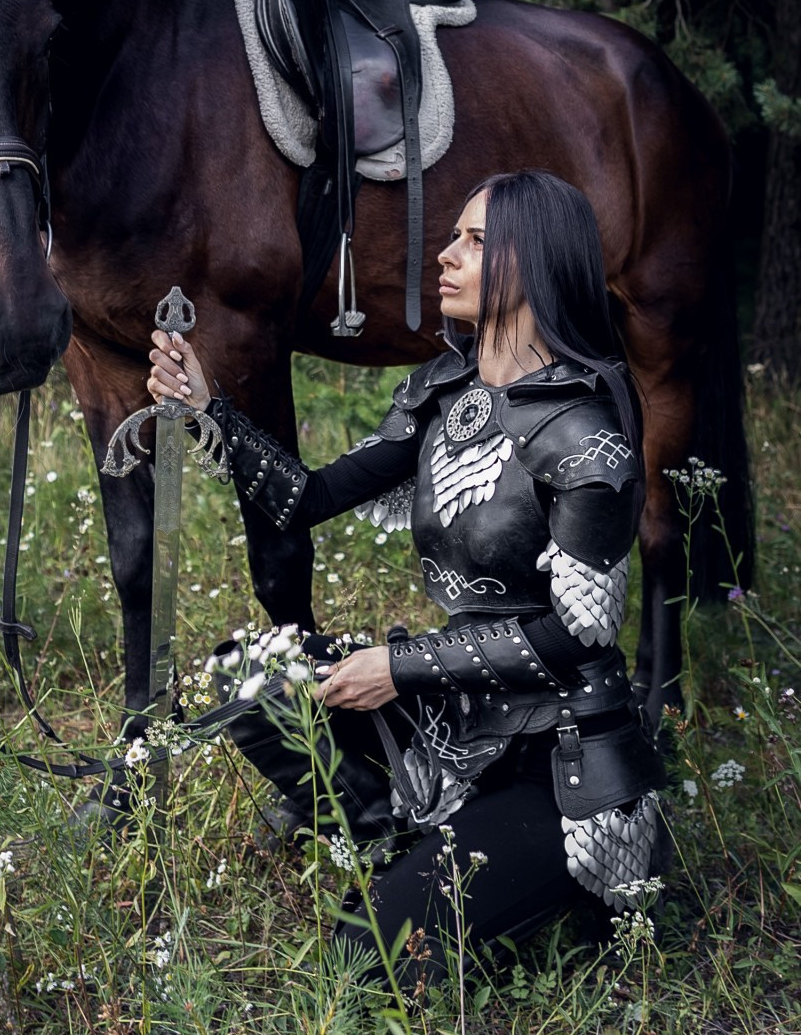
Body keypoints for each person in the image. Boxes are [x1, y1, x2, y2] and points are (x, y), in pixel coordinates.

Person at [147, 170, 666, 984]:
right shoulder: (442, 393)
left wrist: (396, 666)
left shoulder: (583, 433)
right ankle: (387, 836)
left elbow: (577, 634)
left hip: (558, 762)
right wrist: (209, 409)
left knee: (364, 956)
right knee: (247, 681)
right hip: (456, 718)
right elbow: (305, 499)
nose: (446, 255)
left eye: (475, 242)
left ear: (533, 261)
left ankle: (514, 869)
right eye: (453, 236)